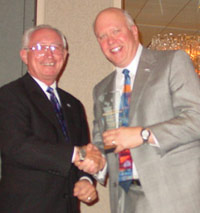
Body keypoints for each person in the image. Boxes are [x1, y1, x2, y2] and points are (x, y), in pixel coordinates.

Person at [92, 7, 200, 213]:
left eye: (116, 31)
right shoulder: (101, 89)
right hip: (125, 200)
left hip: (174, 197)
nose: (110, 41)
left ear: (133, 31)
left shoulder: (172, 62)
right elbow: (102, 142)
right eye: (102, 36)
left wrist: (144, 134)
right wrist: (93, 163)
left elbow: (197, 118)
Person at [0, 24, 104, 213]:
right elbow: (17, 146)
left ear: (64, 56)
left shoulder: (73, 104)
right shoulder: (9, 95)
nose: (49, 55)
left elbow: (83, 148)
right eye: (40, 48)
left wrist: (85, 180)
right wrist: (77, 154)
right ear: (24, 55)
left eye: (56, 48)